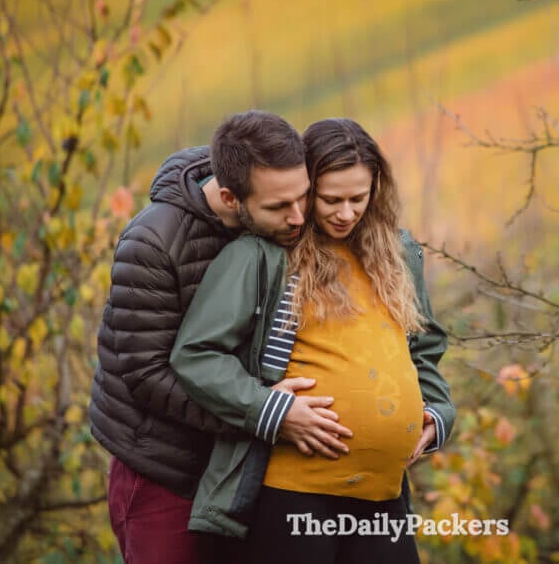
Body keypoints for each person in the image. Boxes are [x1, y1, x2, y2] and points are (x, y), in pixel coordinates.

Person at [171, 117, 455, 563]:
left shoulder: (399, 254)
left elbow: (425, 347)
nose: (346, 212)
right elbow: (196, 355)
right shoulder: (262, 257)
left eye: (358, 198)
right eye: (331, 199)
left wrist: (438, 413)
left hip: (384, 496)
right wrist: (270, 408)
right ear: (307, 190)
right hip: (292, 494)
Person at [89, 110, 349, 564]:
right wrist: (265, 414)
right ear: (230, 197)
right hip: (164, 470)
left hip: (243, 466)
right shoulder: (152, 244)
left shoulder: (277, 200)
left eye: (303, 197)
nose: (298, 216)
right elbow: (146, 375)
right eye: (277, 207)